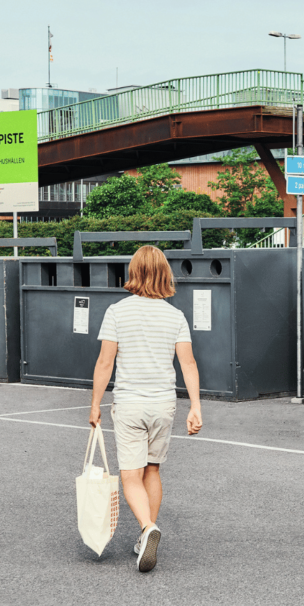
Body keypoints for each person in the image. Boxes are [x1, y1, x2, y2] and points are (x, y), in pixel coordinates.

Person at [89, 245, 202, 573]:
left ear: (134, 273)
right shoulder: (175, 316)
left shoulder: (117, 312)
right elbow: (189, 364)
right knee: (152, 470)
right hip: (163, 405)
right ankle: (145, 535)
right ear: (165, 274)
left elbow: (105, 362)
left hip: (129, 405)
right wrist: (195, 406)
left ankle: (147, 528)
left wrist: (95, 404)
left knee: (130, 476)